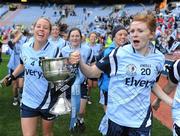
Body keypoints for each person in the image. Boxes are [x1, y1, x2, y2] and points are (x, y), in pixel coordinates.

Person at [69, 12, 173, 135]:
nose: (134, 34)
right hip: (116, 119)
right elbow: (92, 73)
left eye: (140, 31)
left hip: (141, 122)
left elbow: (152, 84)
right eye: (132, 31)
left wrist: (171, 101)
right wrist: (80, 62)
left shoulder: (158, 58)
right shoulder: (119, 54)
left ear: (151, 34)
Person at [2, 17, 61, 136]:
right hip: (28, 99)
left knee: (47, 134)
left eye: (45, 28)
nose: (41, 30)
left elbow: (59, 77)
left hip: (48, 101)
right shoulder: (25, 47)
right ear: (33, 28)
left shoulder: (55, 51)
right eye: (38, 26)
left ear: (49, 32)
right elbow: (23, 64)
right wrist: (11, 77)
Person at [61, 28, 93, 133]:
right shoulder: (63, 50)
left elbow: (92, 63)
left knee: (81, 110)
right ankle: (73, 127)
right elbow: (60, 66)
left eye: (77, 36)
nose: (75, 38)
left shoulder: (87, 49)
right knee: (73, 108)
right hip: (69, 83)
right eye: (72, 36)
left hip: (82, 83)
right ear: (69, 38)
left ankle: (80, 119)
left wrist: (90, 75)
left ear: (80, 37)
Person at [152, 59, 180, 136]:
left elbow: (170, 86)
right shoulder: (178, 65)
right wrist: (157, 101)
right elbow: (170, 86)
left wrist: (157, 101)